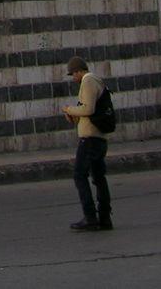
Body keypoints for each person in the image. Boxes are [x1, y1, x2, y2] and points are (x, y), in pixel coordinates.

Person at [62, 56, 112, 231]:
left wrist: (69, 109)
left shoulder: (88, 80)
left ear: (78, 71)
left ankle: (90, 217)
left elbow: (88, 109)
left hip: (90, 139)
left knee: (79, 175)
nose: (73, 78)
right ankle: (105, 217)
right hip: (99, 137)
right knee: (98, 177)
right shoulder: (96, 81)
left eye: (72, 74)